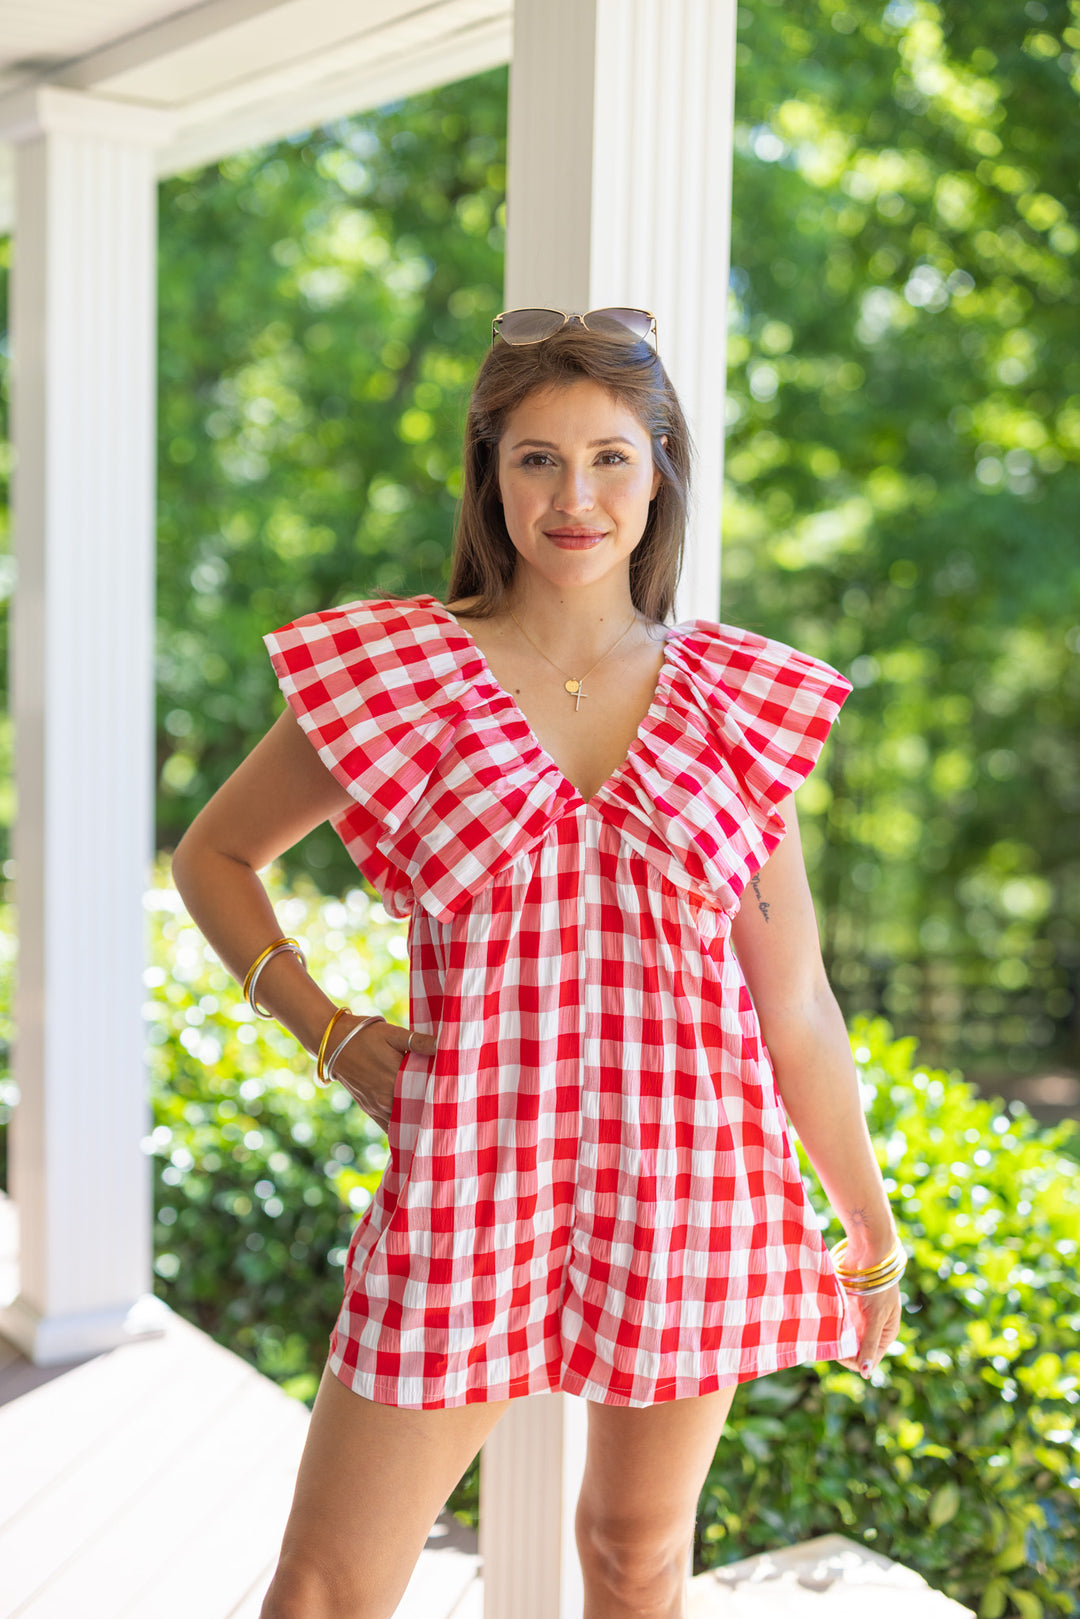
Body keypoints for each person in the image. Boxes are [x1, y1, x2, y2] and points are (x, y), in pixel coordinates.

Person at [172, 307, 905, 1619]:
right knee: (326, 1586)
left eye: (612, 458)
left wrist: (866, 1223)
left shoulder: (733, 701)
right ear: (489, 473)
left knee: (636, 1559)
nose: (576, 497)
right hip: (465, 1186)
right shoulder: (397, 676)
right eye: (537, 460)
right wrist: (329, 1030)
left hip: (691, 1188)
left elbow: (792, 1002)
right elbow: (213, 857)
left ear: (661, 470)